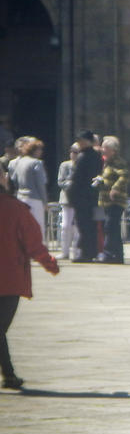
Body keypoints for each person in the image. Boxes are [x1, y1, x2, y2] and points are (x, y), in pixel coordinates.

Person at [0, 161, 59, 389]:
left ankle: (10, 375)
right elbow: (33, 242)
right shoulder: (15, 208)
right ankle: (10, 375)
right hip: (9, 278)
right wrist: (50, 264)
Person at [68, 130, 103, 263]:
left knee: (83, 225)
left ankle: (86, 253)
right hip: (92, 195)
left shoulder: (84, 156)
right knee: (91, 225)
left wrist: (71, 195)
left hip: (82, 196)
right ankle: (91, 251)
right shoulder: (96, 156)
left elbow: (76, 178)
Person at [94, 136, 129, 264]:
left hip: (116, 200)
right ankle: (118, 255)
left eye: (105, 148)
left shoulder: (118, 162)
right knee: (112, 227)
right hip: (106, 201)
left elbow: (124, 176)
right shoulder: (106, 163)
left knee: (110, 226)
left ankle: (108, 253)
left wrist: (115, 188)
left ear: (113, 150)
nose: (102, 150)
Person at [10, 137, 48, 232]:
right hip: (34, 198)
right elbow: (40, 184)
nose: (41, 152)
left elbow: (14, 179)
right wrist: (45, 201)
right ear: (35, 150)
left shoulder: (19, 162)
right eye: (40, 149)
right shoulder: (37, 162)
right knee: (38, 227)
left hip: (20, 197)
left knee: (23, 227)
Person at [56, 144, 80, 259]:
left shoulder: (82, 165)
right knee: (65, 226)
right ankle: (64, 251)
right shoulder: (64, 165)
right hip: (67, 199)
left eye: (76, 152)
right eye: (72, 151)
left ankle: (75, 251)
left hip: (79, 200)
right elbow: (61, 182)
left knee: (77, 228)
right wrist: (72, 184)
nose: (73, 154)